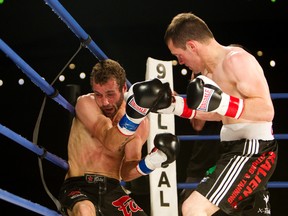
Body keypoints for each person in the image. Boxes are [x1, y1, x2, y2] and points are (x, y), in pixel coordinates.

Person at [161, 12, 278, 215]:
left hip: (253, 150)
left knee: (193, 208)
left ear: (192, 46)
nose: (180, 62)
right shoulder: (207, 74)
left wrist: (223, 102)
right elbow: (220, 114)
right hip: (232, 149)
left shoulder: (237, 60)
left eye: (179, 55)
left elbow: (266, 110)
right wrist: (176, 106)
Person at [58, 59, 180, 216]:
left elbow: (127, 172)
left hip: (113, 189)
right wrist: (135, 115)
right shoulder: (86, 103)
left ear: (124, 88)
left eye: (110, 94)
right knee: (84, 211)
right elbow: (109, 141)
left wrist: (152, 161)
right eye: (98, 94)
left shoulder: (141, 123)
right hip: (79, 186)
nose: (105, 102)